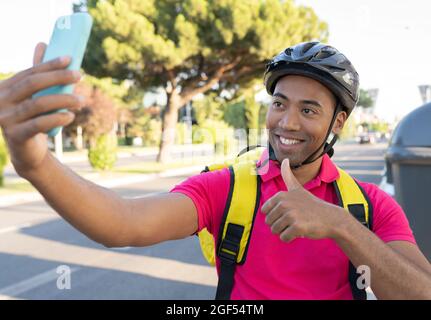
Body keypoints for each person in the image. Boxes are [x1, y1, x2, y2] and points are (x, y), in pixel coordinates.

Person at [0, 41, 430, 300]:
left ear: (338, 124)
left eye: (309, 109)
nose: (287, 122)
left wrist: (341, 226)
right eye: (280, 103)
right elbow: (123, 223)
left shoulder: (368, 206)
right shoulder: (228, 188)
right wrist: (36, 162)